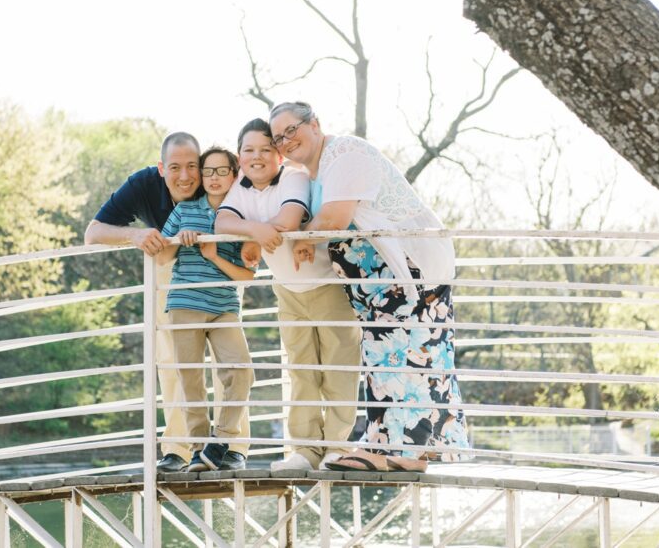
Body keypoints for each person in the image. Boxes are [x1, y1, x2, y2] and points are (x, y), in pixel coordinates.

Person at [269, 101, 469, 472]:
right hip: (377, 282)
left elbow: (336, 218)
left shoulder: (344, 152)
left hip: (410, 267)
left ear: (315, 123)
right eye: (278, 137)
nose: (285, 141)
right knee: (395, 353)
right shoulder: (313, 175)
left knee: (403, 352)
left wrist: (301, 240)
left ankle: (392, 448)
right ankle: (404, 449)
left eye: (291, 130)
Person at [83, 132, 250, 473]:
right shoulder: (144, 182)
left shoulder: (214, 178)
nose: (186, 176)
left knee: (232, 367)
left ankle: (231, 446)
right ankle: (180, 447)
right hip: (168, 264)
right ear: (161, 168)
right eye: (175, 167)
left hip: (219, 269)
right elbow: (93, 233)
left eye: (193, 166)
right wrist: (135, 234)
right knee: (175, 363)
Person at [215, 118, 361, 471]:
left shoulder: (293, 175)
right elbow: (222, 223)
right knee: (300, 369)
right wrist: (253, 232)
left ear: (279, 154)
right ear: (239, 156)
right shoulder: (241, 188)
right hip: (288, 290)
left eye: (266, 149)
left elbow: (291, 217)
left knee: (338, 367)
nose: (257, 156)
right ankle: (305, 449)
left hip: (328, 284)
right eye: (249, 150)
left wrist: (256, 233)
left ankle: (337, 447)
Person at [157, 147, 255, 471]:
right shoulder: (185, 210)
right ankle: (200, 449)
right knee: (190, 380)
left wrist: (214, 255)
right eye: (208, 171)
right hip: (185, 304)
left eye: (221, 171)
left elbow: (248, 275)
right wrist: (176, 240)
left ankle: (221, 443)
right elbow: (160, 257)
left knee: (241, 372)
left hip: (224, 306)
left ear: (234, 174)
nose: (214, 178)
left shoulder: (241, 217)